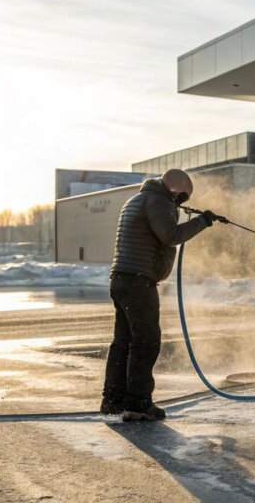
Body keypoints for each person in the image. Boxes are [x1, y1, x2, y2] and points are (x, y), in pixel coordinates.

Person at [100, 169, 216, 421]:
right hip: (139, 282)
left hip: (121, 278)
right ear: (176, 192)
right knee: (146, 342)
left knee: (123, 342)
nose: (180, 203)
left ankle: (113, 400)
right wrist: (202, 222)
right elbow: (171, 236)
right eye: (181, 198)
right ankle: (139, 405)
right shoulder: (158, 201)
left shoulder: (137, 199)